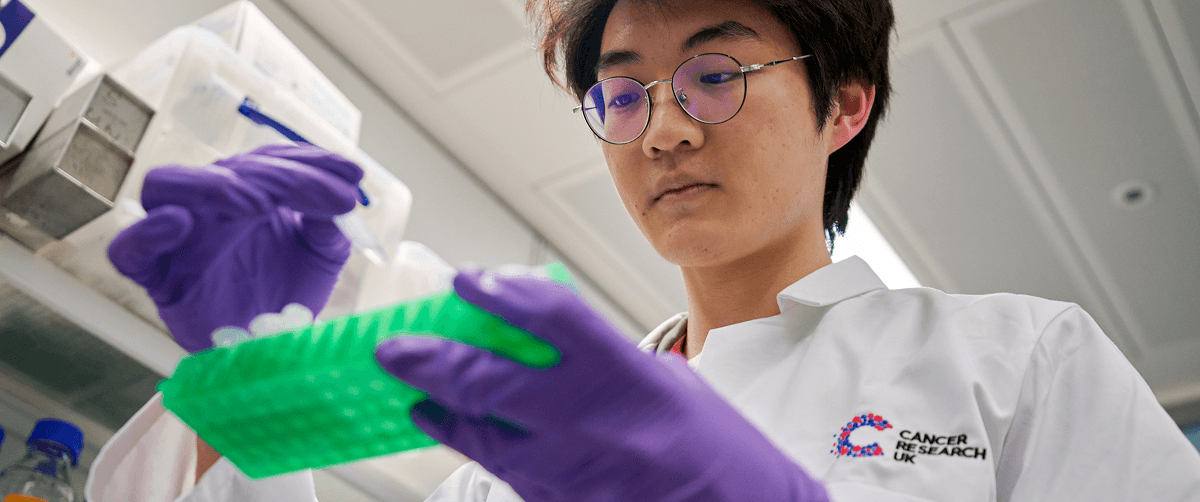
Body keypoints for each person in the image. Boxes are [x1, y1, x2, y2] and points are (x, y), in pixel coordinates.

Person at [86, 0, 1200, 501]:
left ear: (845, 105)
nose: (663, 128)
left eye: (717, 74)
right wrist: (231, 394)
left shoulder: (1018, 362)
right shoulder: (510, 446)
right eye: (623, 93)